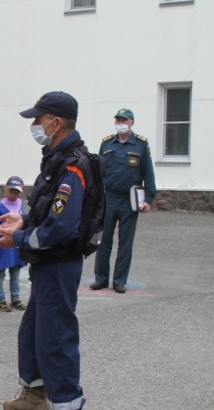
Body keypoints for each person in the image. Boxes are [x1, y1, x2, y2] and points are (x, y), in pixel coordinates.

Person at [0, 91, 88, 410]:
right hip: (49, 263)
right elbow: (49, 212)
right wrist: (24, 219)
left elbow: (61, 227)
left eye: (38, 119)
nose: (35, 125)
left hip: (59, 263)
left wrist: (17, 239)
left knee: (55, 337)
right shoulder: (57, 158)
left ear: (55, 122)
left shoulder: (72, 166)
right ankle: (35, 396)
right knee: (33, 331)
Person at [91, 108, 157, 294]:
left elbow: (148, 173)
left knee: (125, 242)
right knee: (103, 240)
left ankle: (119, 280)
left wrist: (149, 199)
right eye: (118, 120)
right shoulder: (106, 143)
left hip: (129, 200)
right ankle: (101, 278)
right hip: (108, 198)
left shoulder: (141, 144)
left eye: (124, 120)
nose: (121, 123)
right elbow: (98, 172)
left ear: (131, 123)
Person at [0, 176, 27, 312]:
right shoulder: (0, 207)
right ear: (5, 189)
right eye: (11, 191)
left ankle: (15, 298)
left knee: (15, 272)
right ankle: (0, 299)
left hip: (17, 244)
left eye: (16, 192)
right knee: (0, 273)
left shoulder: (21, 206)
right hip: (3, 244)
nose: (13, 194)